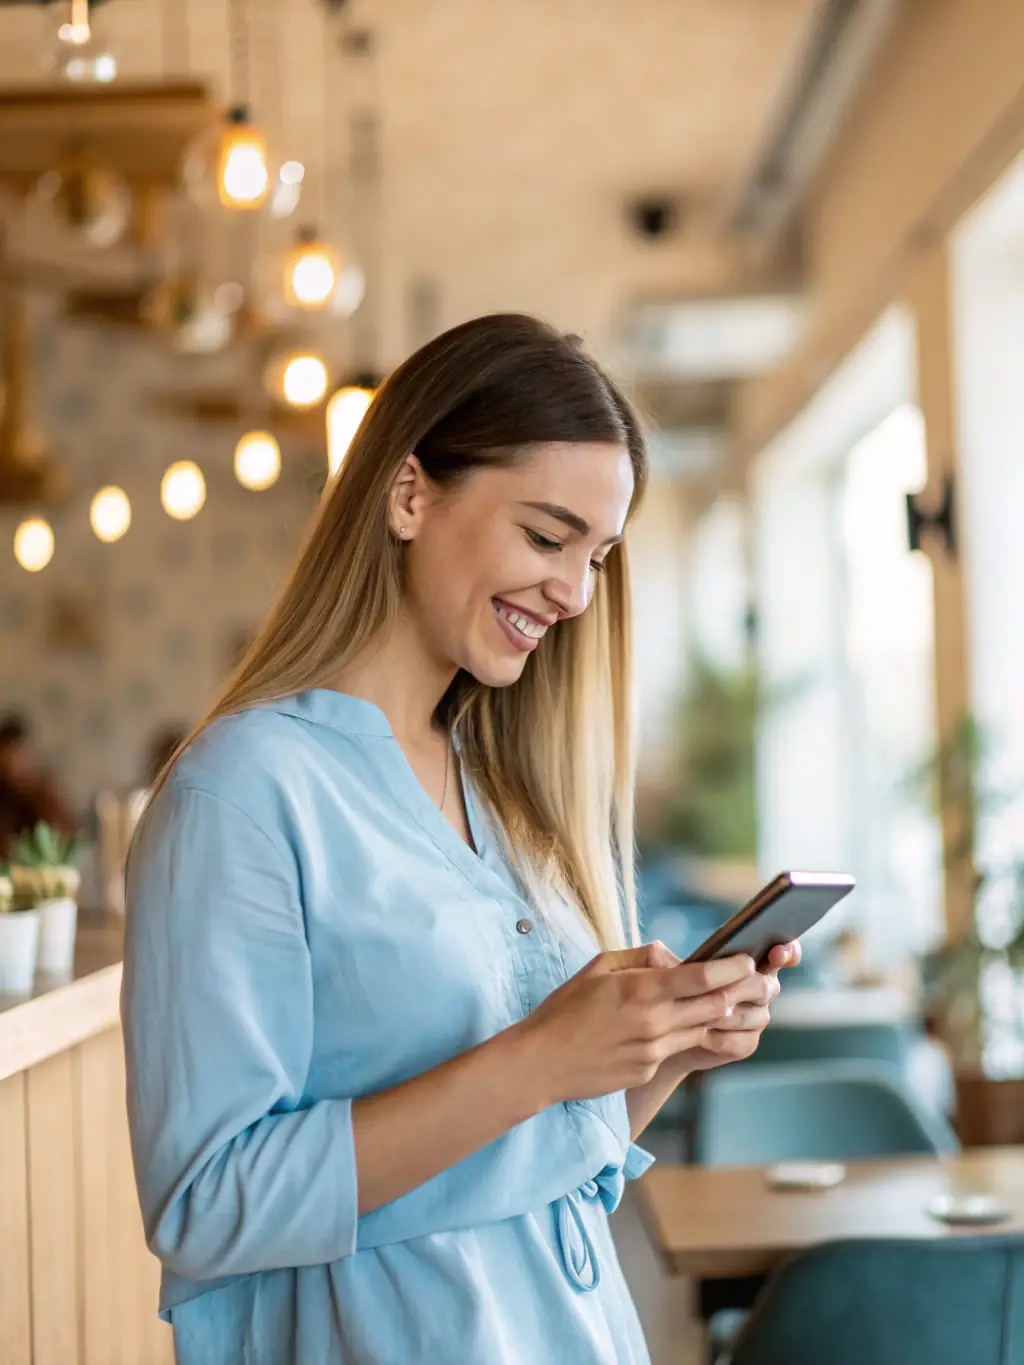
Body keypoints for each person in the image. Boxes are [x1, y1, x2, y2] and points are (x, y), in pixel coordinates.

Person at [122, 314, 800, 1365]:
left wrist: (663, 1049)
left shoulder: (506, 795)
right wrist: (539, 1060)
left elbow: (540, 1162)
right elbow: (206, 1203)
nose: (573, 593)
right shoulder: (244, 793)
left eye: (598, 556)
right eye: (546, 537)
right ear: (408, 495)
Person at [0, 713, 78, 860]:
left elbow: (66, 833)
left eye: (19, 754)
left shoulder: (43, 788)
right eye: (8, 756)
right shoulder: (4, 793)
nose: (14, 763)